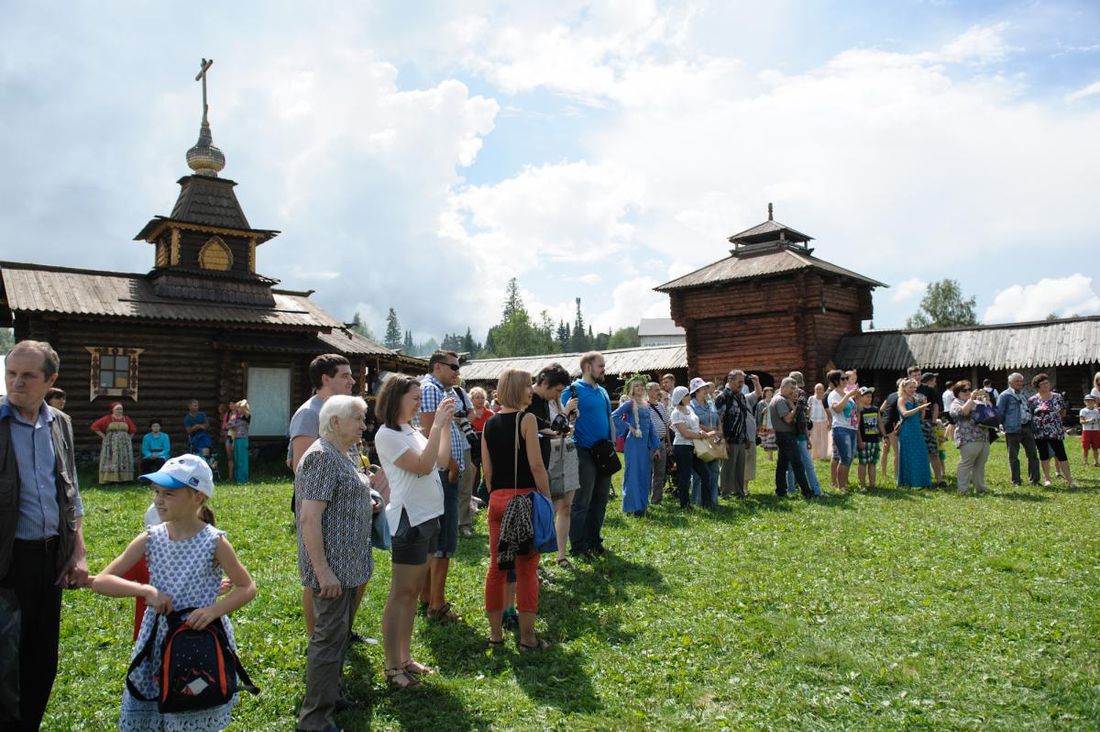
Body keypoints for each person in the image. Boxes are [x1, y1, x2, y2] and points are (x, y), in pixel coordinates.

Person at [89, 454, 255, 731]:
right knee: (155, 704)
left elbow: (247, 586)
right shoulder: (150, 538)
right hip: (157, 639)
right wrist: (144, 590)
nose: (158, 500)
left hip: (199, 640)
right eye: (156, 492)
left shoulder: (214, 541)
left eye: (169, 493)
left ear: (198, 496)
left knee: (193, 699)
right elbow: (102, 581)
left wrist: (214, 610)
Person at [0, 340, 87, 730]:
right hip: (7, 558)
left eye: (27, 375)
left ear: (50, 380)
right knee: (5, 662)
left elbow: (71, 494)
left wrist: (77, 552)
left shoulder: (60, 424)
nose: (16, 383)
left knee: (41, 660)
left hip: (50, 559)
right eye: (11, 374)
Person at [295, 396, 375, 725]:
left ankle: (332, 694)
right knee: (328, 641)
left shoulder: (340, 454)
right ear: (335, 422)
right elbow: (309, 519)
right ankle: (314, 719)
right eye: (357, 419)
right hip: (332, 572)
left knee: (338, 636)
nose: (363, 425)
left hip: (347, 567)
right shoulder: (322, 457)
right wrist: (323, 571)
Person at [374, 375, 453, 689]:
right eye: (415, 398)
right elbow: (421, 466)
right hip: (408, 521)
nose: (420, 403)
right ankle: (392, 667)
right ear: (396, 399)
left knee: (410, 595)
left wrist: (443, 427)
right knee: (401, 594)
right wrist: (435, 428)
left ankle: (404, 659)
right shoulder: (387, 435)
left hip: (427, 517)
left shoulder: (411, 431)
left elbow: (441, 460)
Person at [482, 369, 553, 651]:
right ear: (518, 389)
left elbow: (487, 471)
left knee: (497, 568)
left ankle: (495, 635)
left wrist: (495, 496)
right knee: (526, 570)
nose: (532, 390)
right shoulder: (527, 419)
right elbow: (536, 465)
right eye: (528, 386)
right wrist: (545, 498)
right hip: (524, 499)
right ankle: (527, 638)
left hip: (497, 499)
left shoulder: (488, 423)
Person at [288, 353, 358, 638]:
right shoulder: (310, 413)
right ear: (324, 379)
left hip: (346, 499)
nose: (352, 381)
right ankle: (317, 637)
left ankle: (341, 630)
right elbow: (301, 464)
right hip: (319, 504)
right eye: (345, 375)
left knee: (350, 568)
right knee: (318, 573)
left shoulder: (343, 410)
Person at [419, 350, 466, 623]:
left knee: (437, 537)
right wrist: (450, 462)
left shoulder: (441, 390)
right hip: (441, 472)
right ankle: (436, 603)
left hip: (443, 470)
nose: (457, 372)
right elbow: (429, 431)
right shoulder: (430, 389)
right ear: (437, 367)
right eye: (453, 367)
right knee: (443, 539)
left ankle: (427, 596)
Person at [562, 352, 616, 557]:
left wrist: (612, 444)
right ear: (587, 367)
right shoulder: (572, 390)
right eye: (600, 365)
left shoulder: (602, 391)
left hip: (604, 450)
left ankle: (594, 540)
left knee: (601, 499)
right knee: (582, 501)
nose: (604, 368)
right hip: (583, 450)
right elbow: (562, 418)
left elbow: (607, 418)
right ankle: (578, 546)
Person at [530, 364, 578, 568]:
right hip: (537, 463)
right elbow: (535, 428)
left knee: (563, 505)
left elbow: (549, 427)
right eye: (558, 390)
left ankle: (559, 554)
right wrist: (552, 429)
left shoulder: (548, 400)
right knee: (539, 510)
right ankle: (534, 561)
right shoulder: (528, 399)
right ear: (545, 382)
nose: (559, 394)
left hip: (557, 454)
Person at [613, 375, 661, 516]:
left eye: (641, 385)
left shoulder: (646, 404)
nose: (639, 388)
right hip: (633, 444)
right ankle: (630, 507)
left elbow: (651, 425)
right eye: (636, 386)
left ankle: (641, 506)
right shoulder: (630, 403)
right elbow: (614, 415)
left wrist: (655, 446)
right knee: (633, 473)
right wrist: (629, 427)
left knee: (644, 473)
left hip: (645, 445)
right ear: (632, 389)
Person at [715, 370, 760, 498]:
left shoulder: (740, 396)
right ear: (730, 380)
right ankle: (725, 493)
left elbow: (743, 417)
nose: (741, 384)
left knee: (740, 468)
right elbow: (718, 419)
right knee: (727, 468)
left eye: (743, 382)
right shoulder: (722, 397)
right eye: (739, 381)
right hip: (729, 438)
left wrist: (745, 437)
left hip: (741, 438)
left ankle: (739, 492)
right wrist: (723, 440)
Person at [669, 386, 715, 509]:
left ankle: (707, 503)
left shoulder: (689, 409)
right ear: (680, 398)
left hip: (694, 446)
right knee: (685, 476)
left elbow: (694, 427)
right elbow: (685, 433)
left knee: (706, 474)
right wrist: (702, 436)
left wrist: (701, 432)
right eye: (687, 395)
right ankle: (685, 505)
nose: (689, 396)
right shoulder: (676, 413)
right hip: (682, 447)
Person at [1029, 373, 1075, 488]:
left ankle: (1070, 480)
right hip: (1040, 433)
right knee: (1043, 455)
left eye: (1047, 382)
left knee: (1061, 455)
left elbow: (1063, 412)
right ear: (1037, 386)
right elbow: (1030, 414)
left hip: (1055, 431)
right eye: (1043, 384)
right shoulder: (1032, 400)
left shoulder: (1057, 397)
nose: (1046, 385)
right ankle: (1047, 479)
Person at [771, 378, 814, 499]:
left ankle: (780, 491)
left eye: (794, 389)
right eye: (791, 388)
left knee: (782, 465)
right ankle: (806, 492)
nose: (793, 391)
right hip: (786, 436)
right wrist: (797, 407)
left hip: (784, 436)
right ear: (783, 386)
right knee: (797, 465)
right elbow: (788, 419)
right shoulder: (779, 400)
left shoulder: (783, 399)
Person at [997, 372, 1040, 487]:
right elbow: (1000, 412)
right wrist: (1000, 426)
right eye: (1017, 381)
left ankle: (1034, 480)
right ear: (1010, 382)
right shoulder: (1004, 395)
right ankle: (1016, 480)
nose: (1020, 383)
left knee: (1033, 455)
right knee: (1013, 456)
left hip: (1026, 427)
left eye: (1021, 381)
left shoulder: (1024, 394)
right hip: (1012, 429)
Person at [784, 371, 821, 497]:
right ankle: (815, 490)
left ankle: (792, 490)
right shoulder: (800, 395)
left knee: (791, 465)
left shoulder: (783, 396)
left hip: (790, 434)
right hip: (798, 434)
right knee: (807, 465)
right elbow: (802, 417)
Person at [949, 381, 990, 495]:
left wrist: (986, 398)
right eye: (964, 390)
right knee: (966, 464)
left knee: (980, 464)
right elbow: (963, 412)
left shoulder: (978, 401)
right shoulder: (955, 403)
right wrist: (971, 399)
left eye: (969, 389)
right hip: (968, 438)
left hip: (983, 437)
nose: (968, 392)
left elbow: (990, 412)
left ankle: (980, 487)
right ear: (957, 393)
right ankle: (963, 489)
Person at [895, 378, 932, 488]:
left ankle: (921, 481)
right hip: (907, 430)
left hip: (916, 429)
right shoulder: (901, 399)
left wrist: (923, 410)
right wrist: (919, 408)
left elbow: (921, 418)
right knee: (908, 455)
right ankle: (907, 482)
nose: (913, 389)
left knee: (920, 454)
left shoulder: (914, 400)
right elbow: (904, 413)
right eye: (910, 387)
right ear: (904, 388)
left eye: (914, 387)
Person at [452, 380, 478, 538]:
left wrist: (463, 421)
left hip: (464, 444)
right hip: (444, 444)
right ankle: (450, 522)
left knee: (465, 485)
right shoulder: (432, 391)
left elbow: (472, 413)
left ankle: (464, 523)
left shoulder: (459, 391)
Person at [687, 378, 718, 506]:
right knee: (699, 474)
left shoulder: (710, 402)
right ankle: (697, 501)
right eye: (703, 388)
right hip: (699, 441)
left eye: (706, 387)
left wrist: (719, 430)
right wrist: (709, 430)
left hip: (714, 439)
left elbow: (717, 417)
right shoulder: (690, 406)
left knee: (715, 471)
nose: (706, 390)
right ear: (696, 391)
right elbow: (693, 423)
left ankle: (713, 500)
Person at [826, 370, 858, 491]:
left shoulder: (846, 393)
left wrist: (856, 398)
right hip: (841, 428)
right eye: (843, 378)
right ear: (836, 381)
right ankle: (841, 487)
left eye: (846, 378)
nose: (846, 380)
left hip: (851, 428)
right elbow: (838, 409)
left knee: (849, 459)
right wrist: (848, 396)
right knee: (844, 458)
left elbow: (855, 410)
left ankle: (844, 483)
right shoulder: (833, 394)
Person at [91, 401, 137, 484]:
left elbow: (133, 429)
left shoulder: (126, 419)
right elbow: (95, 426)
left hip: (124, 445)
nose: (120, 411)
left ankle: (124, 479)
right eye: (118, 409)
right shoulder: (107, 418)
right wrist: (103, 436)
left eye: (121, 409)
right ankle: (110, 479)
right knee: (111, 459)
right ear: (112, 410)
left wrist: (129, 439)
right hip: (111, 444)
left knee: (124, 459)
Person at [917, 373, 946, 487]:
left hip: (928, 422)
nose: (917, 377)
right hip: (913, 424)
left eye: (918, 374)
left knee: (933, 451)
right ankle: (922, 479)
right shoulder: (908, 390)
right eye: (914, 375)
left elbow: (935, 406)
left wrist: (933, 422)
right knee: (918, 453)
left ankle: (939, 480)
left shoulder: (928, 389)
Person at [646, 382, 672, 504]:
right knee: (647, 472)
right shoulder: (644, 406)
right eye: (656, 390)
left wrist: (669, 443)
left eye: (659, 390)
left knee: (660, 473)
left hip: (662, 443)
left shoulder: (661, 406)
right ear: (649, 391)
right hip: (649, 444)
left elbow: (666, 424)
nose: (659, 392)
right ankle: (644, 499)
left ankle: (656, 499)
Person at [855, 387, 880, 489]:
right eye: (867, 396)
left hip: (874, 440)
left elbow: (880, 423)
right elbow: (857, 426)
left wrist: (885, 436)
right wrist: (859, 440)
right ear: (861, 397)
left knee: (872, 463)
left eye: (870, 396)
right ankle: (862, 484)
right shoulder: (860, 410)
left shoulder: (875, 409)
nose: (870, 398)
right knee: (863, 463)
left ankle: (872, 484)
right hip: (864, 440)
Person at [228, 399, 251, 484]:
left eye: (238, 408)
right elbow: (228, 425)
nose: (237, 409)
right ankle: (237, 479)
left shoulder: (247, 416)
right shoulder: (237, 417)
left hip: (243, 439)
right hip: (236, 439)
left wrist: (242, 403)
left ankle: (242, 480)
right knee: (237, 460)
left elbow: (243, 403)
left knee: (242, 460)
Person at [809, 382, 831, 460]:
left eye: (820, 389)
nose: (818, 390)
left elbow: (829, 411)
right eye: (817, 389)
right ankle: (814, 456)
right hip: (813, 421)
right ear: (815, 390)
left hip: (824, 421)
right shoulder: (811, 398)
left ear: (823, 390)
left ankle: (823, 456)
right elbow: (809, 410)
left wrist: (829, 421)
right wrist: (808, 420)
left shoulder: (826, 398)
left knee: (823, 439)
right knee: (814, 439)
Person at [1080, 394, 1100, 467]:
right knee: (1085, 448)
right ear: (1085, 402)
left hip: (1096, 431)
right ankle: (1085, 462)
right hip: (1087, 431)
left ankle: (1096, 462)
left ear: (1094, 402)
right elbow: (1081, 421)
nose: (1089, 402)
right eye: (1087, 401)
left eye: (1091, 401)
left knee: (1095, 447)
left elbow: (1098, 420)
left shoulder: (1096, 411)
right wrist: (1089, 420)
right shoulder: (1083, 410)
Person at [218, 402, 234, 483]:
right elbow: (224, 426)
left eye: (233, 404)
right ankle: (230, 477)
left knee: (236, 457)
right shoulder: (227, 415)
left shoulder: (239, 414)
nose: (231, 406)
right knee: (230, 458)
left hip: (236, 437)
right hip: (228, 437)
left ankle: (237, 476)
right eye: (230, 404)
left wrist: (230, 425)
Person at [759, 386, 776, 460]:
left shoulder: (775, 401)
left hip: (772, 424)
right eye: (767, 392)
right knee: (765, 441)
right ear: (764, 393)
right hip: (764, 424)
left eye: (770, 392)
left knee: (771, 440)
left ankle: (770, 457)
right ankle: (769, 457)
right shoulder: (761, 403)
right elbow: (757, 414)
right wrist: (762, 412)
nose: (769, 394)